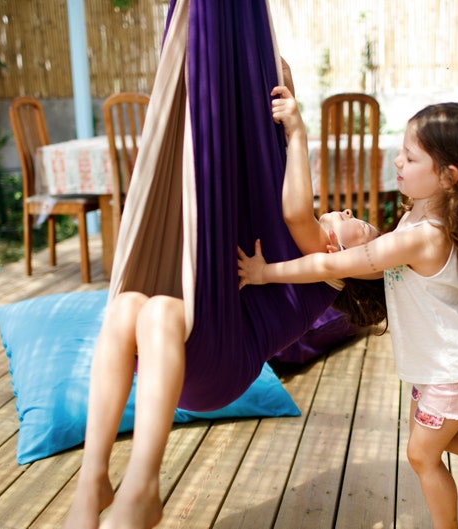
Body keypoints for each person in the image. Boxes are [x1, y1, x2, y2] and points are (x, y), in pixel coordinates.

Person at [63, 56, 385, 529]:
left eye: (362, 227)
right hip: (193, 356)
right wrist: (274, 78)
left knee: (160, 313)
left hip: (223, 367)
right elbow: (280, 184)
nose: (352, 215)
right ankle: (93, 478)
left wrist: (298, 133)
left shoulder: (331, 265)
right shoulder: (315, 254)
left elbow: (296, 210)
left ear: (352, 254)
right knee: (127, 305)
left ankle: (145, 487)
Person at [238, 102, 458, 529]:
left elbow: (331, 265)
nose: (397, 161)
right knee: (435, 435)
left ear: (448, 176)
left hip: (455, 368)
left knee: (421, 454)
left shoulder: (421, 236)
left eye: (410, 157)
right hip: (441, 363)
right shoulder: (424, 210)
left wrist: (266, 274)